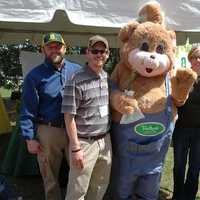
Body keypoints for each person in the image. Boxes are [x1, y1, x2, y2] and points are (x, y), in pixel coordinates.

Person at [20, 32, 81, 200]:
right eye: (50, 47)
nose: (55, 50)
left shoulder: (78, 70)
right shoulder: (34, 76)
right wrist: (29, 137)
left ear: (65, 48)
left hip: (75, 129)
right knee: (50, 175)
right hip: (48, 130)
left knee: (79, 170)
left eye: (58, 46)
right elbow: (27, 109)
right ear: (43, 50)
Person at [62, 35, 112, 200]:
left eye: (103, 51)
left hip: (105, 141)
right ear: (87, 53)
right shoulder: (75, 79)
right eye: (95, 51)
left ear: (108, 54)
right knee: (77, 191)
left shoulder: (106, 77)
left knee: (99, 186)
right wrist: (75, 148)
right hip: (84, 143)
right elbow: (68, 116)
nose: (99, 55)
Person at [172, 46, 200, 200]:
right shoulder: (181, 76)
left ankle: (189, 196)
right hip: (181, 129)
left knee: (195, 168)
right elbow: (174, 100)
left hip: (199, 132)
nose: (198, 60)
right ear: (190, 59)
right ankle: (178, 196)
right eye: (195, 57)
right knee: (179, 167)